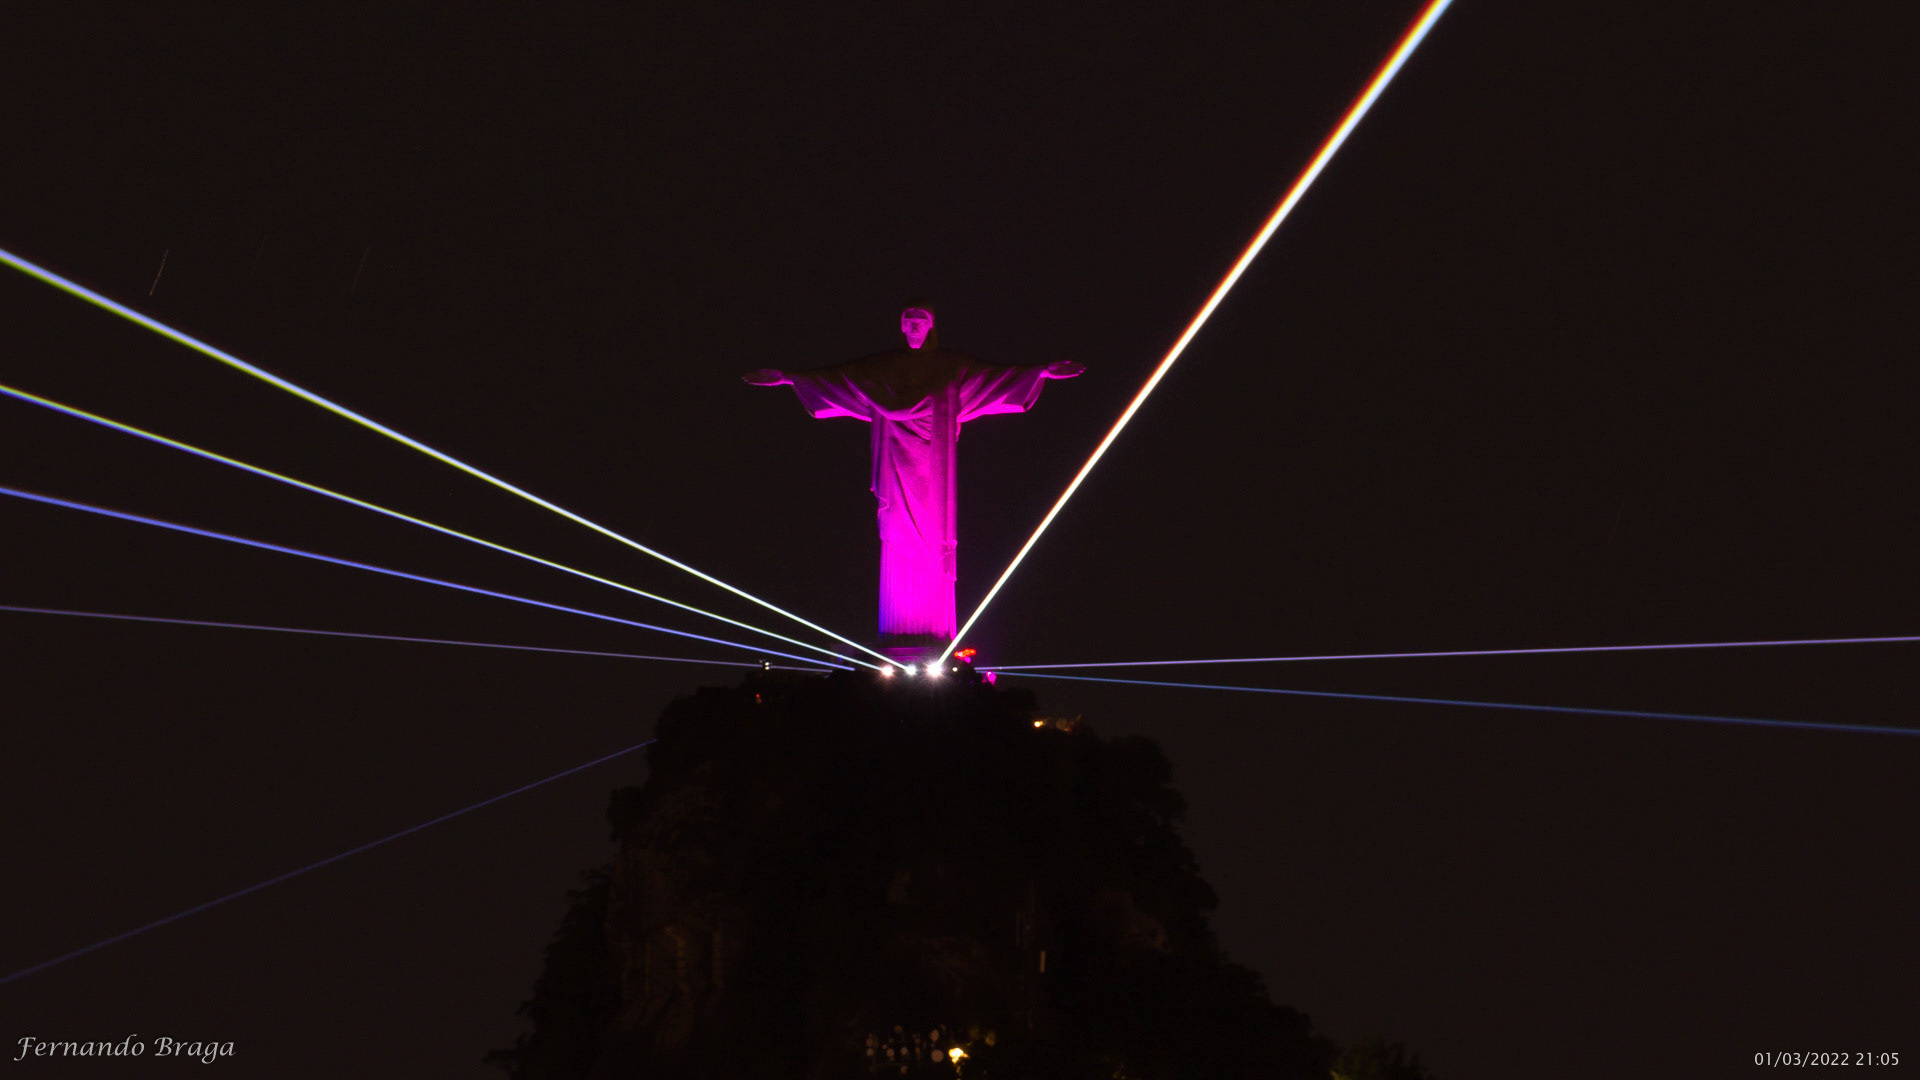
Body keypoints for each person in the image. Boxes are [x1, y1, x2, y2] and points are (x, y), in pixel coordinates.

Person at [745, 303, 1082, 651]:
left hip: (934, 475)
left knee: (933, 541)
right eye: (908, 322)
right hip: (894, 467)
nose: (914, 328)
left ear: (931, 327)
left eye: (920, 322)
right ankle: (897, 641)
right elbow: (840, 379)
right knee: (895, 533)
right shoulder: (883, 368)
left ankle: (934, 639)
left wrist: (1039, 372)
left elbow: (995, 378)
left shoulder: (951, 367)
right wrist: (789, 378)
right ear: (901, 328)